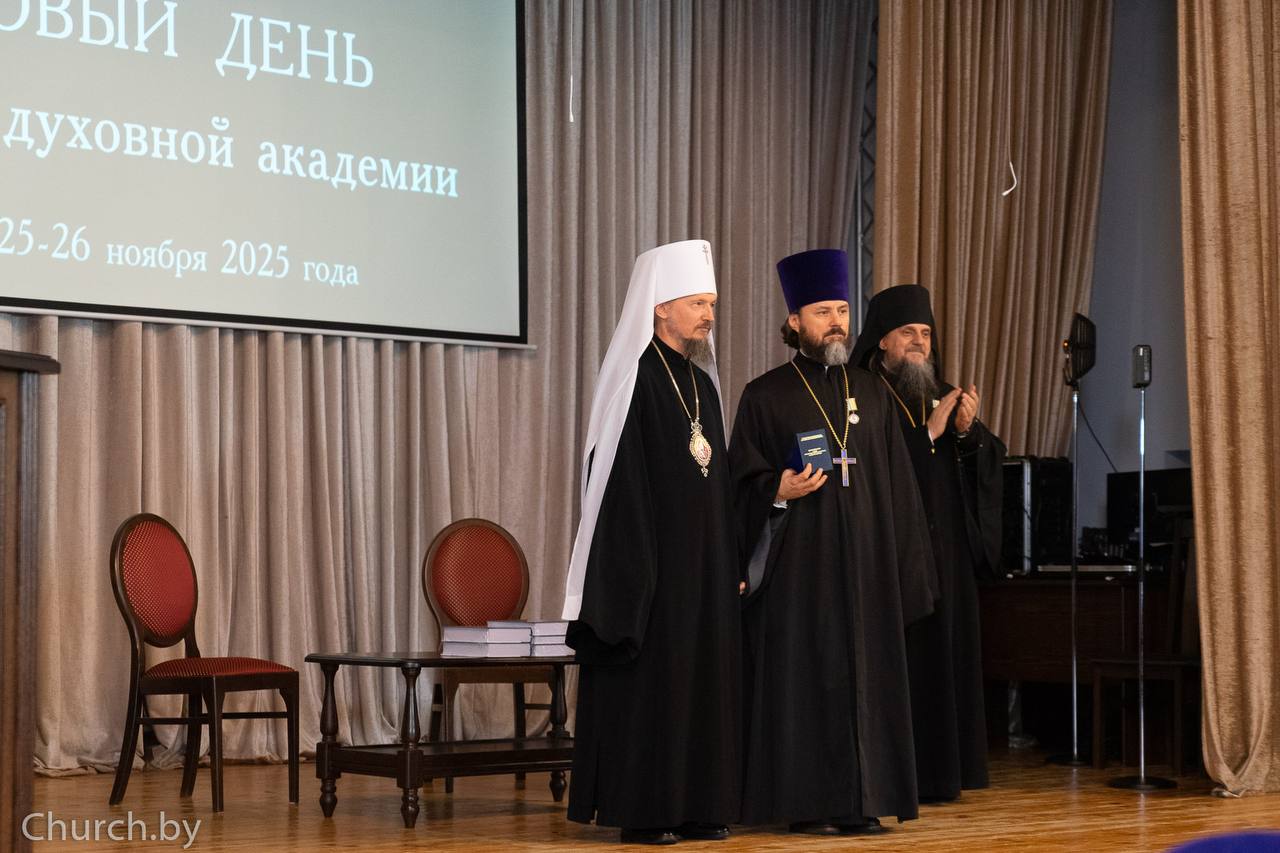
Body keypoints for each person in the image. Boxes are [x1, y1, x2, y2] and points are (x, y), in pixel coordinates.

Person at [729, 249, 936, 835]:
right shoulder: (765, 395)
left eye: (842, 311)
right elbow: (740, 483)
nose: (837, 323)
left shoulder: (872, 391)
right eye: (823, 313)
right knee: (808, 683)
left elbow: (900, 488)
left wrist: (906, 572)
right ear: (795, 321)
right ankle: (809, 804)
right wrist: (777, 489)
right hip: (801, 574)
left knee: (870, 683)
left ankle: (865, 801)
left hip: (868, 569)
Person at [562, 239, 741, 846]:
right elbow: (616, 479)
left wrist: (728, 556)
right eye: (698, 304)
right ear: (660, 307)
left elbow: (716, 479)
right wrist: (643, 564)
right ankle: (645, 811)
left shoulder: (704, 385)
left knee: (702, 685)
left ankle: (699, 804)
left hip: (705, 570)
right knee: (656, 688)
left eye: (712, 304)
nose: (709, 315)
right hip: (652, 568)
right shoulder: (633, 377)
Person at [850, 283, 1006, 802]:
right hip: (893, 556)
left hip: (947, 557)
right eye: (907, 333)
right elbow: (869, 466)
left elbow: (988, 461)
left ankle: (947, 773)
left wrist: (968, 432)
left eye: (925, 333)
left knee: (948, 658)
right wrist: (930, 436)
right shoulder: (862, 394)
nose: (919, 342)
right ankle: (901, 775)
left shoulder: (945, 392)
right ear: (882, 341)